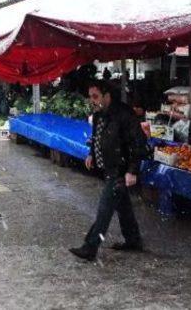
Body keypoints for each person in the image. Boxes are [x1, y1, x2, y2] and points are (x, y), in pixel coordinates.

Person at [69, 80, 148, 261]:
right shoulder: (99, 115)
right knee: (122, 205)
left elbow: (139, 143)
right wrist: (92, 155)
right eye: (90, 97)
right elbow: (97, 137)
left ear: (107, 95)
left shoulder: (124, 114)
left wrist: (132, 170)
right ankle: (133, 239)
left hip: (120, 169)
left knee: (105, 209)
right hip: (110, 167)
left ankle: (90, 247)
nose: (92, 100)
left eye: (95, 96)